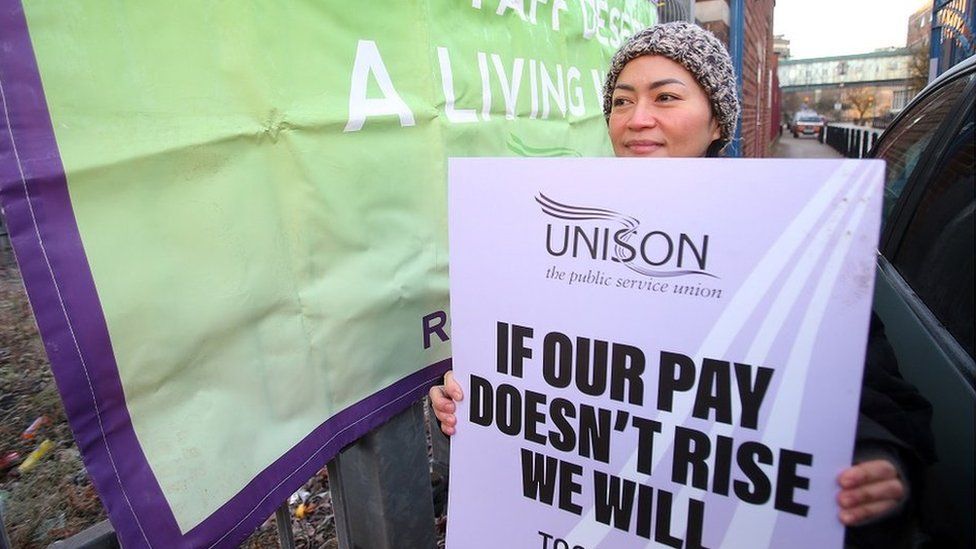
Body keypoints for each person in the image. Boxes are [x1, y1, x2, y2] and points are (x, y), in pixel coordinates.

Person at [430, 21, 934, 545]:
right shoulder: (548, 233)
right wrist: (467, 402)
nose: (637, 119)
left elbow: (875, 397)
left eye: (665, 97)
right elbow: (524, 370)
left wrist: (878, 462)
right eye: (621, 102)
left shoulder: (788, 241)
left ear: (718, 121)